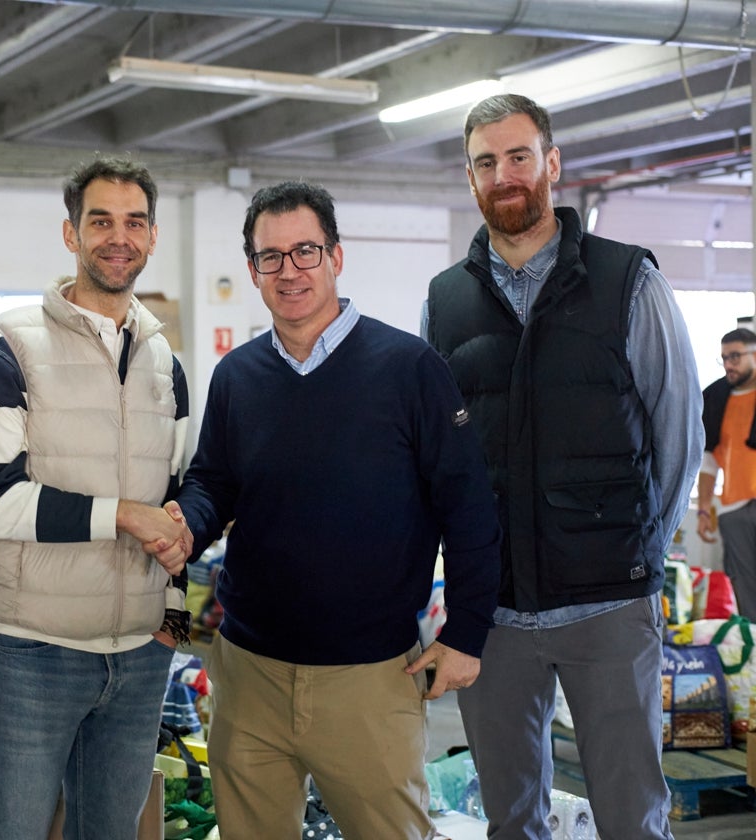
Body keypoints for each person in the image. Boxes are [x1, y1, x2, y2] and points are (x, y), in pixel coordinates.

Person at [165, 181, 501, 839]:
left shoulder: (409, 368)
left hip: (370, 678)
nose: (289, 271)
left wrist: (467, 632)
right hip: (249, 672)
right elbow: (214, 484)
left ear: (336, 257)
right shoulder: (237, 377)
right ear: (253, 268)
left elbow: (468, 504)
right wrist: (184, 522)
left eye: (305, 251)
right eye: (271, 257)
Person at [425, 93, 702, 839]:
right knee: (511, 822)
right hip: (496, 614)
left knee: (631, 818)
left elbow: (678, 429)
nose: (504, 174)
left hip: (607, 607)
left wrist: (640, 552)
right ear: (471, 176)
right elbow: (442, 459)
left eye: (519, 156)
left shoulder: (627, 282)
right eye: (486, 162)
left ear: (552, 163)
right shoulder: (446, 301)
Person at [0, 156, 192, 840]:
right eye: (101, 221)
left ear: (151, 238)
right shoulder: (6, 346)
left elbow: (173, 497)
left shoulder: (163, 360)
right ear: (71, 234)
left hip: (140, 658)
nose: (118, 237)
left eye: (135, 222)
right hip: (34, 654)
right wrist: (119, 515)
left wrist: (170, 623)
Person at [698, 327, 756, 619]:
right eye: (724, 358)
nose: (729, 364)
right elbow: (709, 461)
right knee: (745, 593)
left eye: (735, 356)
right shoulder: (716, 397)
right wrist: (704, 510)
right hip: (735, 508)